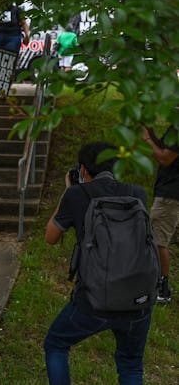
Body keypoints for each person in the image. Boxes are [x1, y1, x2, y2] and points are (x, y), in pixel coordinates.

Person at [43, 142, 152, 384]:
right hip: (139, 298)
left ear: (83, 169)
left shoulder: (76, 194)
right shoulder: (138, 194)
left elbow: (51, 237)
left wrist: (67, 192)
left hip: (95, 300)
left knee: (56, 344)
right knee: (131, 364)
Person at [142, 123, 179, 304]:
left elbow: (165, 158)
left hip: (170, 195)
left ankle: (162, 288)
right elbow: (164, 148)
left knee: (158, 241)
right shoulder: (175, 126)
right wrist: (150, 132)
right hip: (168, 192)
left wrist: (147, 139)